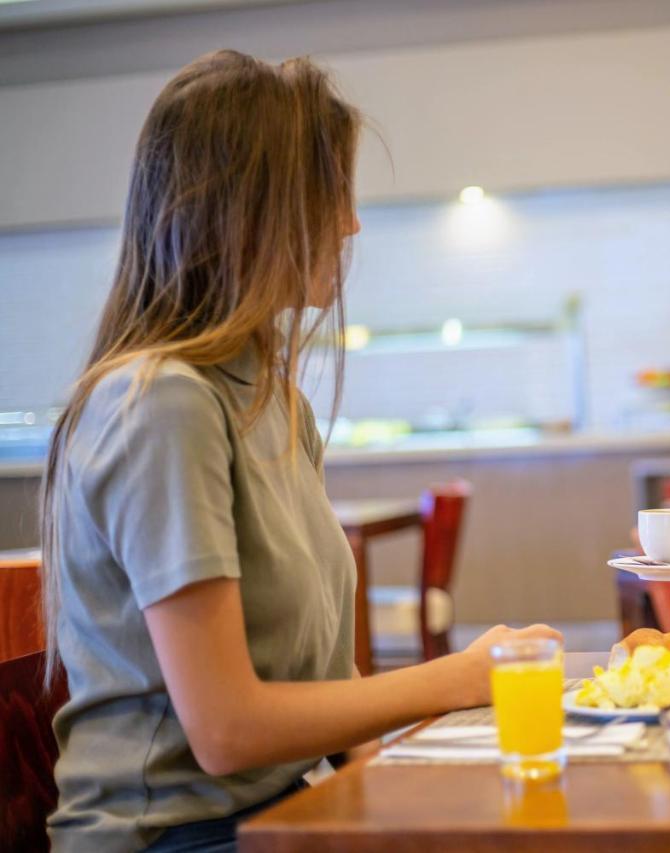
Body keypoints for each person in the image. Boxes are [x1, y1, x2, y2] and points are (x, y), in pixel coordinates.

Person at [41, 51, 559, 852]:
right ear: (247, 209)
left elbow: (322, 681)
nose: (350, 223)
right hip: (176, 836)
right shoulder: (163, 402)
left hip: (284, 806)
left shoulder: (275, 399)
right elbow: (227, 729)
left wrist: (402, 773)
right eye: (330, 194)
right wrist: (459, 678)